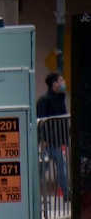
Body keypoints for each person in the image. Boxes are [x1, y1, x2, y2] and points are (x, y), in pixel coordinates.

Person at [37, 72, 69, 200]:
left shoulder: (60, 98)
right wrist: (42, 139)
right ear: (54, 84)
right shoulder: (45, 100)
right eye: (60, 80)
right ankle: (35, 193)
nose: (63, 82)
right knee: (43, 168)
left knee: (60, 165)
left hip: (56, 140)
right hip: (48, 141)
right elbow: (40, 120)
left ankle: (66, 193)